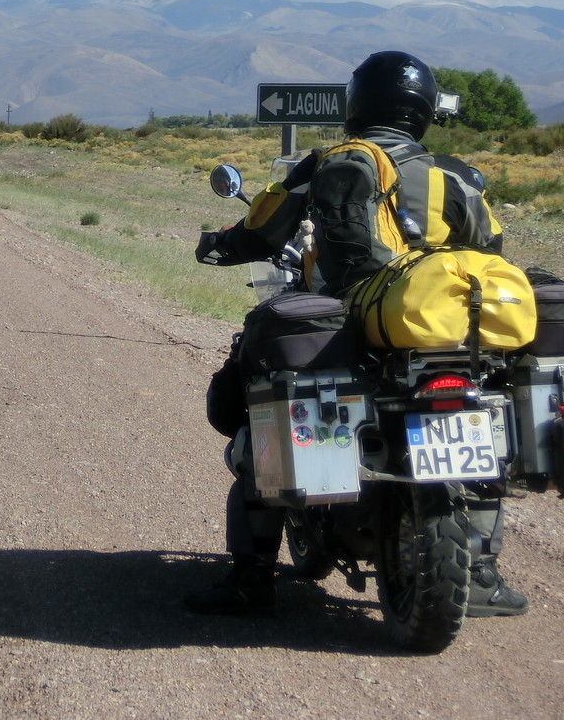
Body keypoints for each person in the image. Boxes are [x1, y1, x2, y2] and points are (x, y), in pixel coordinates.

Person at [185, 50, 529, 618]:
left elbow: (264, 229)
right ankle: (484, 574)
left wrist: (223, 244)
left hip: (347, 320)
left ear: (359, 103)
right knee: (482, 419)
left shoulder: (330, 161)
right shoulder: (456, 175)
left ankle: (250, 580)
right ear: (422, 112)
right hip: (439, 331)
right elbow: (489, 250)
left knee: (260, 416)